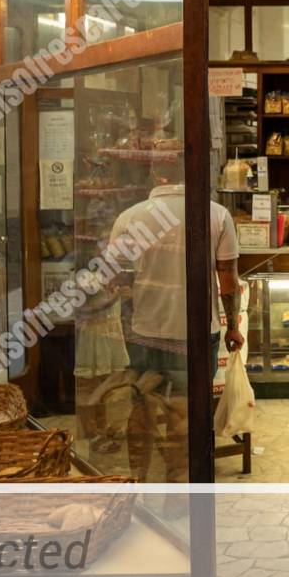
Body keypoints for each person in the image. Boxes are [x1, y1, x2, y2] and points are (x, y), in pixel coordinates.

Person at [107, 176, 243, 481]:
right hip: (197, 333)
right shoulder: (216, 214)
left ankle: (138, 481)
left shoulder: (130, 217)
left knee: (140, 406)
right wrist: (233, 326)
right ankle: (179, 487)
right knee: (183, 411)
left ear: (156, 177)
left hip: (144, 331)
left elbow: (114, 279)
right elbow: (228, 278)